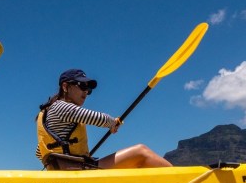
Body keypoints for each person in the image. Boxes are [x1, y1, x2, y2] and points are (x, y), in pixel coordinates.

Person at [36, 69, 173, 170]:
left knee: (132, 163)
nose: (86, 92)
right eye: (82, 86)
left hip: (68, 170)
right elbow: (98, 118)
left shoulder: (48, 111)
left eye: (88, 90)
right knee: (141, 152)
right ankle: (179, 179)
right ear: (65, 87)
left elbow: (39, 152)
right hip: (77, 171)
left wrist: (70, 154)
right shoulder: (61, 107)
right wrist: (113, 123)